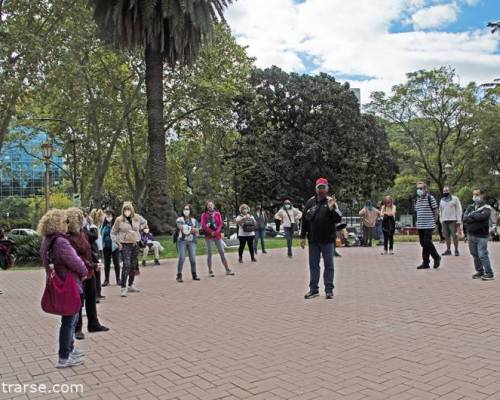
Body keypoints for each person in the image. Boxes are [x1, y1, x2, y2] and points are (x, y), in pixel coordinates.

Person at [38, 209, 88, 368]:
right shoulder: (61, 242)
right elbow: (75, 262)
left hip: (59, 282)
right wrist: (84, 270)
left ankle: (70, 349)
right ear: (58, 224)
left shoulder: (48, 240)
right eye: (65, 221)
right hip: (69, 283)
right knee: (69, 321)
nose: (68, 224)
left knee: (69, 319)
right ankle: (64, 357)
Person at [66, 208, 109, 340]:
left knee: (91, 296)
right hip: (78, 272)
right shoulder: (68, 237)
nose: (83, 220)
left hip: (89, 269)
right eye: (81, 218)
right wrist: (92, 265)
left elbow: (93, 240)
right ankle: (77, 328)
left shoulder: (83, 232)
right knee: (79, 300)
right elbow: (77, 257)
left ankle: (93, 323)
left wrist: (91, 224)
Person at [300, 178, 342, 300]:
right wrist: (302, 236)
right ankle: (314, 290)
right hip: (313, 240)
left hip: (328, 240)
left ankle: (329, 290)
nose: (321, 190)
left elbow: (337, 219)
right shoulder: (310, 202)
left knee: (329, 265)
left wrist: (332, 208)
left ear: (327, 188)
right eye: (320, 187)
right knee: (313, 265)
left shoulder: (331, 202)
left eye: (324, 187)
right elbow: (305, 220)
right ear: (316, 189)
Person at [111, 201, 147, 297]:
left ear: (132, 210)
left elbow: (145, 222)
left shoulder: (136, 218)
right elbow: (113, 233)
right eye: (125, 209)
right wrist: (117, 242)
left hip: (135, 243)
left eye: (129, 209)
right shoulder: (119, 220)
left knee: (133, 265)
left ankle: (131, 284)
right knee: (126, 264)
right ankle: (123, 287)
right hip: (125, 244)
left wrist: (140, 228)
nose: (127, 211)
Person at [463, 188, 495, 280]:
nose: (475, 196)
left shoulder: (487, 207)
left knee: (482, 254)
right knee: (474, 254)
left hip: (482, 236)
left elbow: (483, 217)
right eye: (474, 194)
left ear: (482, 195)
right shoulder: (470, 207)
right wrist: (475, 216)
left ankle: (489, 273)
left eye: (477, 194)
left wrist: (472, 216)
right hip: (471, 235)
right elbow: (465, 218)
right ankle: (480, 271)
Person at [200, 201, 235, 277]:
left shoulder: (217, 214)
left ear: (213, 206)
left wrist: (216, 232)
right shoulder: (204, 215)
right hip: (208, 236)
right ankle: (210, 271)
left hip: (217, 235)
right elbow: (203, 225)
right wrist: (211, 232)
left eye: (211, 205)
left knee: (222, 252)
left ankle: (227, 269)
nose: (210, 206)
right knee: (209, 253)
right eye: (208, 205)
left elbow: (220, 224)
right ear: (206, 207)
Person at [415, 182, 441, 269]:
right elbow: (418, 212)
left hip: (429, 224)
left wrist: (435, 222)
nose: (419, 190)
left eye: (421, 188)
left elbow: (436, 211)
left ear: (425, 189)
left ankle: (436, 257)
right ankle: (426, 263)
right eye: (418, 188)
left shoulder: (430, 198)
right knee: (423, 244)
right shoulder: (417, 200)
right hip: (420, 225)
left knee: (427, 242)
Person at [176, 204, 200, 282]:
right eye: (185, 209)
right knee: (182, 257)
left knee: (193, 259)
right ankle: (179, 275)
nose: (186, 211)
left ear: (190, 210)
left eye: (188, 209)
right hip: (181, 241)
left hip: (192, 241)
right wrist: (192, 229)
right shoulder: (179, 219)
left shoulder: (194, 220)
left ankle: (194, 274)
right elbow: (181, 228)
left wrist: (188, 228)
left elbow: (197, 231)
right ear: (182, 210)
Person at [439, 186, 463, 256]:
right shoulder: (442, 200)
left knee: (454, 236)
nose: (445, 192)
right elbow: (440, 210)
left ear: (449, 191)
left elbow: (459, 209)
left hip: (453, 220)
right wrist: (441, 220)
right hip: (444, 221)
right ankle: (448, 250)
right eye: (444, 191)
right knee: (446, 236)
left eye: (447, 191)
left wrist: (458, 221)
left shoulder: (455, 199)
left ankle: (456, 250)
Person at [101, 209, 120, 286]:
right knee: (106, 263)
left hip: (115, 246)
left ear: (113, 216)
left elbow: (118, 234)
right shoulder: (104, 226)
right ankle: (106, 280)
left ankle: (118, 279)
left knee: (116, 263)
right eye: (107, 215)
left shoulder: (116, 225)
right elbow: (102, 235)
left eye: (110, 215)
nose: (108, 217)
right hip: (106, 246)